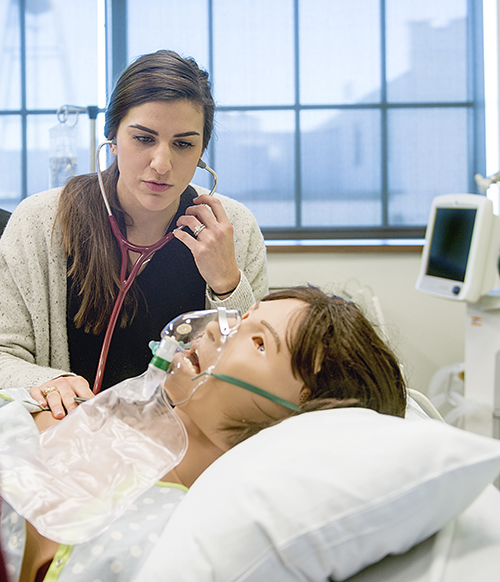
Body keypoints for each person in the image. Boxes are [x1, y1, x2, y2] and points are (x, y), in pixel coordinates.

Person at [0, 286, 406, 582]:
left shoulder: (173, 538)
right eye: (242, 319)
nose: (214, 330)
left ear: (301, 418)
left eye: (261, 343)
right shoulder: (72, 406)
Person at [0, 50, 268, 419]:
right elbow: (3, 353)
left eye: (183, 144)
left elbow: (257, 377)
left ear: (202, 151)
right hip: (73, 438)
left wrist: (227, 283)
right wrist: (48, 380)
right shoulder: (41, 222)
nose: (161, 164)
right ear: (111, 138)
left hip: (183, 448)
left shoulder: (234, 228)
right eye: (144, 138)